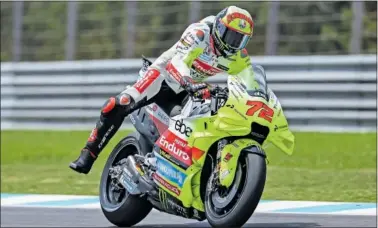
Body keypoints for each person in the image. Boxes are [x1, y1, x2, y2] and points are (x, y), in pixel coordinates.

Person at [69, 5, 269, 174]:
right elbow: (178, 62)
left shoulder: (238, 56)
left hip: (189, 91)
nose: (233, 43)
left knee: (204, 124)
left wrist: (260, 103)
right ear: (218, 27)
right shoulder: (200, 33)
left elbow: (249, 81)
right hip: (163, 78)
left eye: (240, 39)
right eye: (230, 35)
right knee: (118, 104)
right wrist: (188, 81)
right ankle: (89, 153)